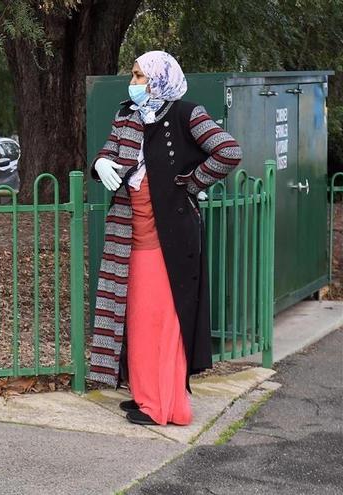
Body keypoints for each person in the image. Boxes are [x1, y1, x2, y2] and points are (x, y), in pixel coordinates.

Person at [87, 51, 242, 426]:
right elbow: (108, 153)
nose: (134, 83)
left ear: (159, 79)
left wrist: (193, 182)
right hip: (129, 237)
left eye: (141, 76)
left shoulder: (187, 113)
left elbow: (229, 151)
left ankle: (165, 406)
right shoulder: (127, 114)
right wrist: (100, 164)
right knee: (137, 320)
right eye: (134, 76)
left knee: (165, 322)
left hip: (169, 239)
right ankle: (145, 395)